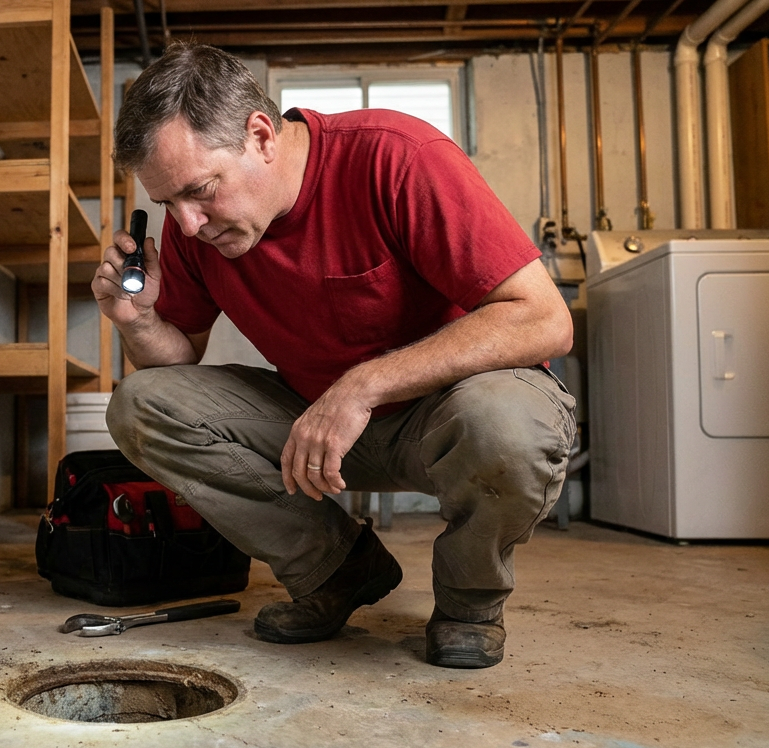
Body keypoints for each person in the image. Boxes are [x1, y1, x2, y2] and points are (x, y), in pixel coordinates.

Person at [92, 43, 576, 669]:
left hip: (447, 417)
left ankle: (469, 601)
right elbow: (176, 369)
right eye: (165, 204)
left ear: (261, 136)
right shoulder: (198, 231)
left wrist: (360, 386)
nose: (186, 224)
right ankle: (335, 570)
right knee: (140, 404)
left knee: (505, 425)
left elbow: (544, 316)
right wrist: (141, 320)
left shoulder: (398, 157)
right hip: (319, 428)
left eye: (201, 191)